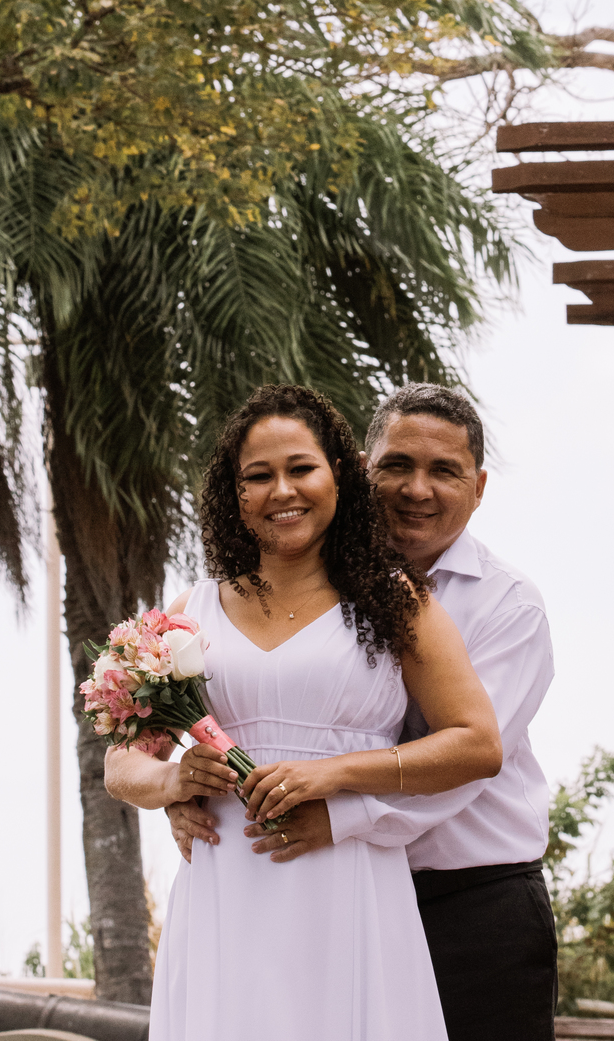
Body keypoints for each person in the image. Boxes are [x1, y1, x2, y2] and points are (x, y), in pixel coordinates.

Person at [103, 382, 503, 1041]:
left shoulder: (396, 602)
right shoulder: (187, 617)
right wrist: (174, 783)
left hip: (347, 885)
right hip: (224, 887)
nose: (282, 491)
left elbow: (476, 743)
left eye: (301, 469)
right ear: (235, 494)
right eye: (258, 476)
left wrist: (335, 774)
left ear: (340, 475)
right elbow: (121, 765)